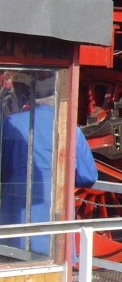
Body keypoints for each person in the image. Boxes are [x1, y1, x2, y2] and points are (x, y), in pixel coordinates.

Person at [0, 74, 98, 256]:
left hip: (14, 212)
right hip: (55, 212)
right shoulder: (70, 128)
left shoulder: (12, 123)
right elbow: (88, 176)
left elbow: (2, 167)